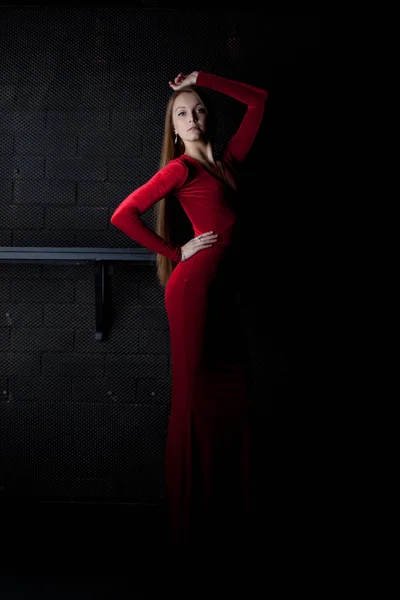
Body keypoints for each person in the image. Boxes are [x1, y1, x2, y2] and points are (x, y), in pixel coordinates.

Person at [110, 70, 268, 547]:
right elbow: (122, 214)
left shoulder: (228, 163)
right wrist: (177, 253)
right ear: (173, 129)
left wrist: (202, 79)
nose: (193, 117)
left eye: (199, 109)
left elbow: (260, 101)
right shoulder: (180, 170)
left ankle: (229, 511)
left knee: (234, 393)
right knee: (193, 400)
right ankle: (190, 520)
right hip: (193, 290)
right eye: (182, 112)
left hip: (223, 291)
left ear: (208, 119)